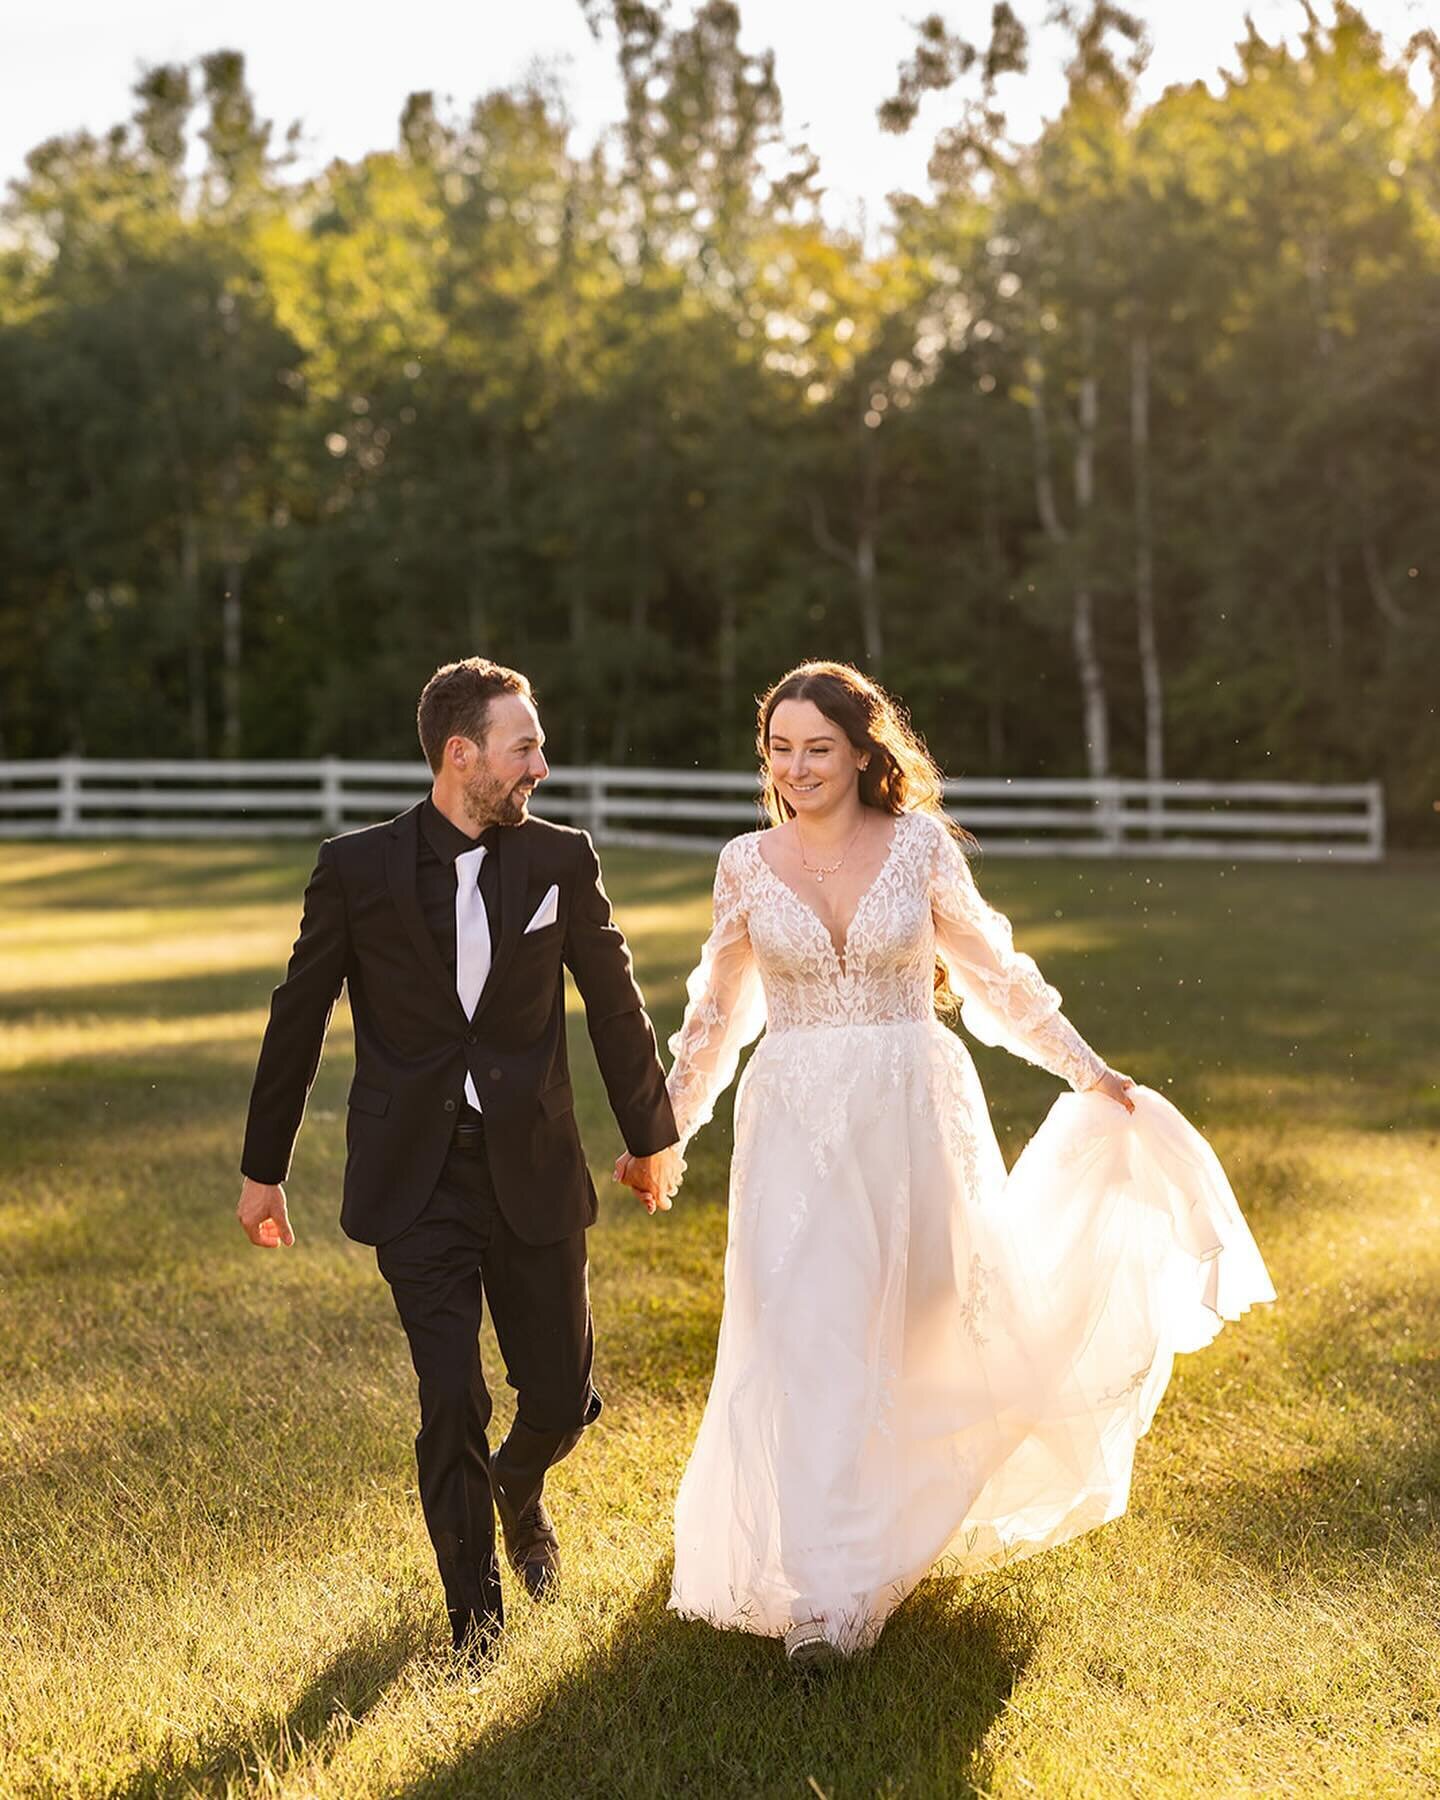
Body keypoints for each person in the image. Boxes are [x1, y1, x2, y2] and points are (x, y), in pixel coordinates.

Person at [633, 660, 1275, 1672]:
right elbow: (716, 1017)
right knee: (806, 1336)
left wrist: (1091, 1071)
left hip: (912, 1115)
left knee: (916, 1333)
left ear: (861, 753)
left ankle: (886, 1528)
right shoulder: (746, 864)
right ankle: (824, 1604)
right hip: (795, 1125)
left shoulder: (918, 847)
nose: (798, 768)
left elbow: (998, 980)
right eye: (781, 749)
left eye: (820, 749)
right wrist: (666, 1129)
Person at [237, 657, 683, 1667]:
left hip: (534, 1166)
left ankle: (518, 1485)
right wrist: (264, 1168)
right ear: (461, 754)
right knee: (451, 1398)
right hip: (417, 1177)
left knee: (561, 1400)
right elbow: (297, 1018)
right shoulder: (357, 869)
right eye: (525, 747)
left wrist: (650, 1135)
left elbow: (614, 1003)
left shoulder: (560, 860)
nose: (542, 763)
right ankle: (475, 1627)